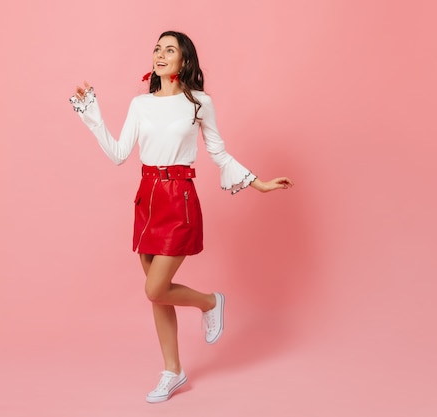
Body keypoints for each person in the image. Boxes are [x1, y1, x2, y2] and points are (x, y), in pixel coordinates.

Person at [70, 30, 293, 403]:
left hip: (179, 198)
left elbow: (219, 153)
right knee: (159, 298)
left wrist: (260, 184)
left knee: (155, 288)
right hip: (146, 199)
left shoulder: (199, 103)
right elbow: (118, 153)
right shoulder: (140, 105)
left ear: (183, 61)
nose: (159, 54)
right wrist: (92, 114)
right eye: (157, 48)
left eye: (169, 50)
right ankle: (172, 371)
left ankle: (210, 302)